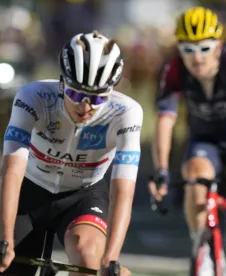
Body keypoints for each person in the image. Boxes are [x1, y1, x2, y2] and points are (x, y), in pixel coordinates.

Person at [0, 31, 142, 276]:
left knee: (89, 260)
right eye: (76, 94)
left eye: (97, 98)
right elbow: (12, 171)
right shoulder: (33, 98)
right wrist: (4, 239)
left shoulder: (126, 113)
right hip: (29, 189)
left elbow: (123, 191)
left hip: (83, 195)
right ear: (62, 83)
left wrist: (111, 256)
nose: (85, 107)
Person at [148, 6, 226, 276]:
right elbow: (164, 121)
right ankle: (202, 247)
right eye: (188, 50)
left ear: (218, 46)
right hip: (204, 140)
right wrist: (161, 169)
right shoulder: (174, 67)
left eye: (204, 48)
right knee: (194, 174)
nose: (196, 58)